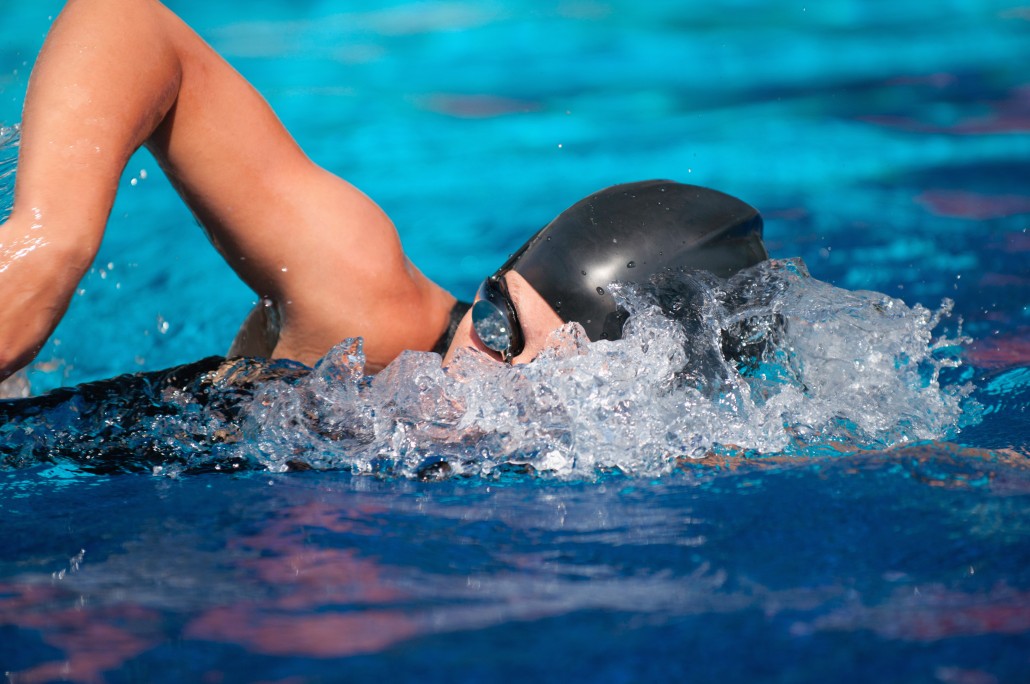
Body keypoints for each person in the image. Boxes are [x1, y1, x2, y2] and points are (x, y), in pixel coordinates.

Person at [0, 0, 767, 392]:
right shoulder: (370, 310)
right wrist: (50, 245)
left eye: (511, 349)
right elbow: (131, 25)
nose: (469, 360)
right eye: (492, 315)